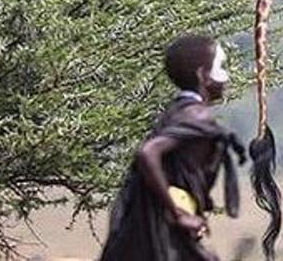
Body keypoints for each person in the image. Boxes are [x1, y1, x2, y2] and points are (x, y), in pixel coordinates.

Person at [99, 35, 246, 261]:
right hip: (166, 223)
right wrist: (177, 213)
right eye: (220, 68)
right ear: (203, 76)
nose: (226, 77)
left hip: (157, 221)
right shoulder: (196, 115)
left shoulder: (176, 111)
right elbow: (148, 153)